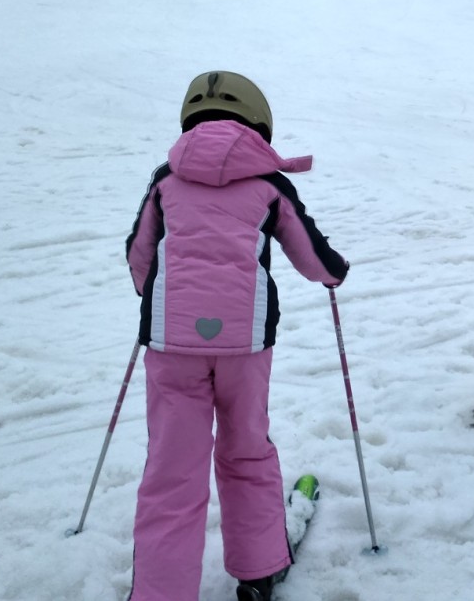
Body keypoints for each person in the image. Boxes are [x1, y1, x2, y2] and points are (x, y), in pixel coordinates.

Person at [125, 71, 349, 601]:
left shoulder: (166, 178)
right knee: (246, 449)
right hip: (244, 346)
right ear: (257, 121)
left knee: (171, 471)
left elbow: (140, 255)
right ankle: (257, 568)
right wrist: (335, 273)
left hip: (171, 346)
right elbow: (313, 259)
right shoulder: (270, 183)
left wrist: (155, 300)